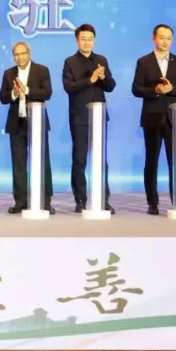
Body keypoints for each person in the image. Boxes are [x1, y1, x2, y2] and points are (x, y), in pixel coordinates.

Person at [131, 24, 176, 215]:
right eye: (162, 38)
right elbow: (136, 89)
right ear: (154, 38)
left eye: (169, 38)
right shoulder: (144, 61)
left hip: (174, 119)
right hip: (152, 117)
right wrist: (155, 90)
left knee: (175, 161)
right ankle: (152, 202)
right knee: (152, 161)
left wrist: (171, 89)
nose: (165, 42)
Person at [62, 23, 117, 213]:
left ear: (94, 40)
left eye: (90, 39)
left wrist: (102, 78)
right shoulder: (70, 62)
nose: (87, 42)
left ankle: (103, 199)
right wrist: (90, 80)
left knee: (102, 160)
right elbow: (69, 87)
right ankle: (80, 199)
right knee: (79, 160)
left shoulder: (101, 60)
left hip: (99, 117)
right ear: (77, 41)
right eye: (83, 39)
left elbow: (111, 86)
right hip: (79, 117)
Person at [0, 41, 53, 213]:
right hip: (17, 123)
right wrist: (14, 93)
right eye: (16, 54)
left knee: (42, 162)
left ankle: (45, 201)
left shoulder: (42, 70)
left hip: (37, 122)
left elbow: (47, 93)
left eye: (23, 53)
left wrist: (27, 90)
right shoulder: (9, 73)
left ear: (29, 53)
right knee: (19, 164)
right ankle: (21, 201)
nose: (20, 57)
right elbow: (3, 98)